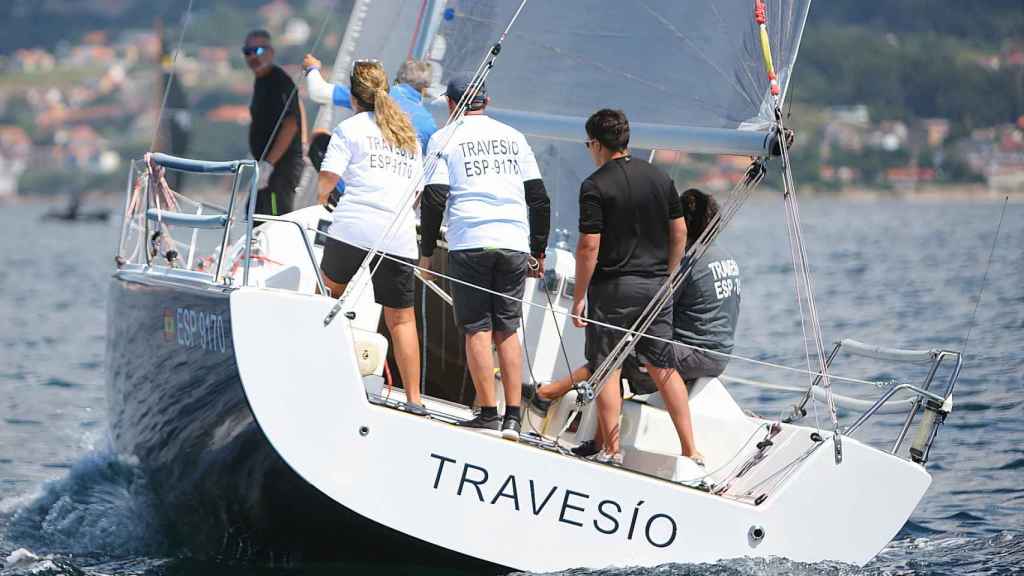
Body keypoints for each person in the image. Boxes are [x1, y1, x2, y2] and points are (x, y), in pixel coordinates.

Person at [526, 189, 740, 462]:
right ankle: (592, 434)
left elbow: (654, 305)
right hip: (718, 352)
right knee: (615, 359)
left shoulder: (688, 261)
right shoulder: (724, 258)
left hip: (690, 351)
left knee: (608, 362)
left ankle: (551, 394)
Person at [565, 108, 701, 466]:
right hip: (656, 287)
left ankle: (611, 450)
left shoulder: (594, 185)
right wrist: (667, 277)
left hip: (613, 289)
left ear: (596, 143)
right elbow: (680, 232)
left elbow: (588, 246)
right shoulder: (660, 178)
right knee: (663, 366)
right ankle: (690, 449)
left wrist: (579, 296)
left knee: (606, 367)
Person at [418, 75, 551, 441]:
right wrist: (538, 250)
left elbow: (433, 200)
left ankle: (488, 414)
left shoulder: (443, 138)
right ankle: (513, 418)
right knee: (508, 329)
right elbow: (539, 198)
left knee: (477, 329)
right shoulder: (515, 138)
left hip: (471, 241)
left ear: (451, 104)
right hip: (513, 242)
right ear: (486, 102)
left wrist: (427, 253)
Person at [316, 60, 426, 415]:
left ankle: (312, 368)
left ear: (352, 96)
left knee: (325, 299)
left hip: (354, 227)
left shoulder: (349, 129)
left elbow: (324, 187)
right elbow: (417, 194)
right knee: (402, 321)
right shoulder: (407, 135)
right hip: (398, 235)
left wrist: (329, 198)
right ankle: (414, 400)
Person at [303, 55, 437, 154]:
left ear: (397, 79)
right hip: (398, 186)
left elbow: (318, 91)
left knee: (320, 139)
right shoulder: (429, 124)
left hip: (362, 170)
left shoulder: (377, 93)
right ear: (425, 89)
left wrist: (312, 68)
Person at [245, 30, 305, 216]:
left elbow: (291, 124)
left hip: (280, 168)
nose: (254, 56)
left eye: (259, 50)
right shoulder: (261, 81)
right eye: (248, 51)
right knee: (252, 215)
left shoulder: (279, 82)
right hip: (266, 168)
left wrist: (269, 164)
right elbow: (299, 107)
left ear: (271, 52)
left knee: (272, 221)